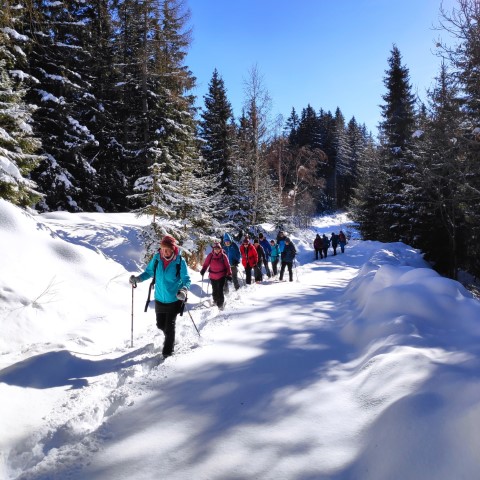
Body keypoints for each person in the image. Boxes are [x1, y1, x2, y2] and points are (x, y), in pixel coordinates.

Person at [129, 235, 190, 358]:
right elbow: (149, 272)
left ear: (173, 249)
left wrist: (184, 290)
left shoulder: (179, 261)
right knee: (160, 325)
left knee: (169, 326)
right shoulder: (157, 259)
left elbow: (186, 279)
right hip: (159, 298)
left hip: (174, 299)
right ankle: (170, 337)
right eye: (162, 249)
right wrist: (138, 279)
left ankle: (168, 351)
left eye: (167, 249)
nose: (164, 252)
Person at [200, 242, 232, 309]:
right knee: (214, 290)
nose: (217, 250)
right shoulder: (210, 255)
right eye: (215, 249)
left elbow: (228, 266)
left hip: (221, 276)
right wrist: (203, 270)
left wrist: (229, 274)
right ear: (213, 249)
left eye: (218, 249)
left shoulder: (224, 256)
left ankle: (220, 306)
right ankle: (215, 301)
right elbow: (206, 264)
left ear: (220, 249)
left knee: (220, 291)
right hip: (213, 276)